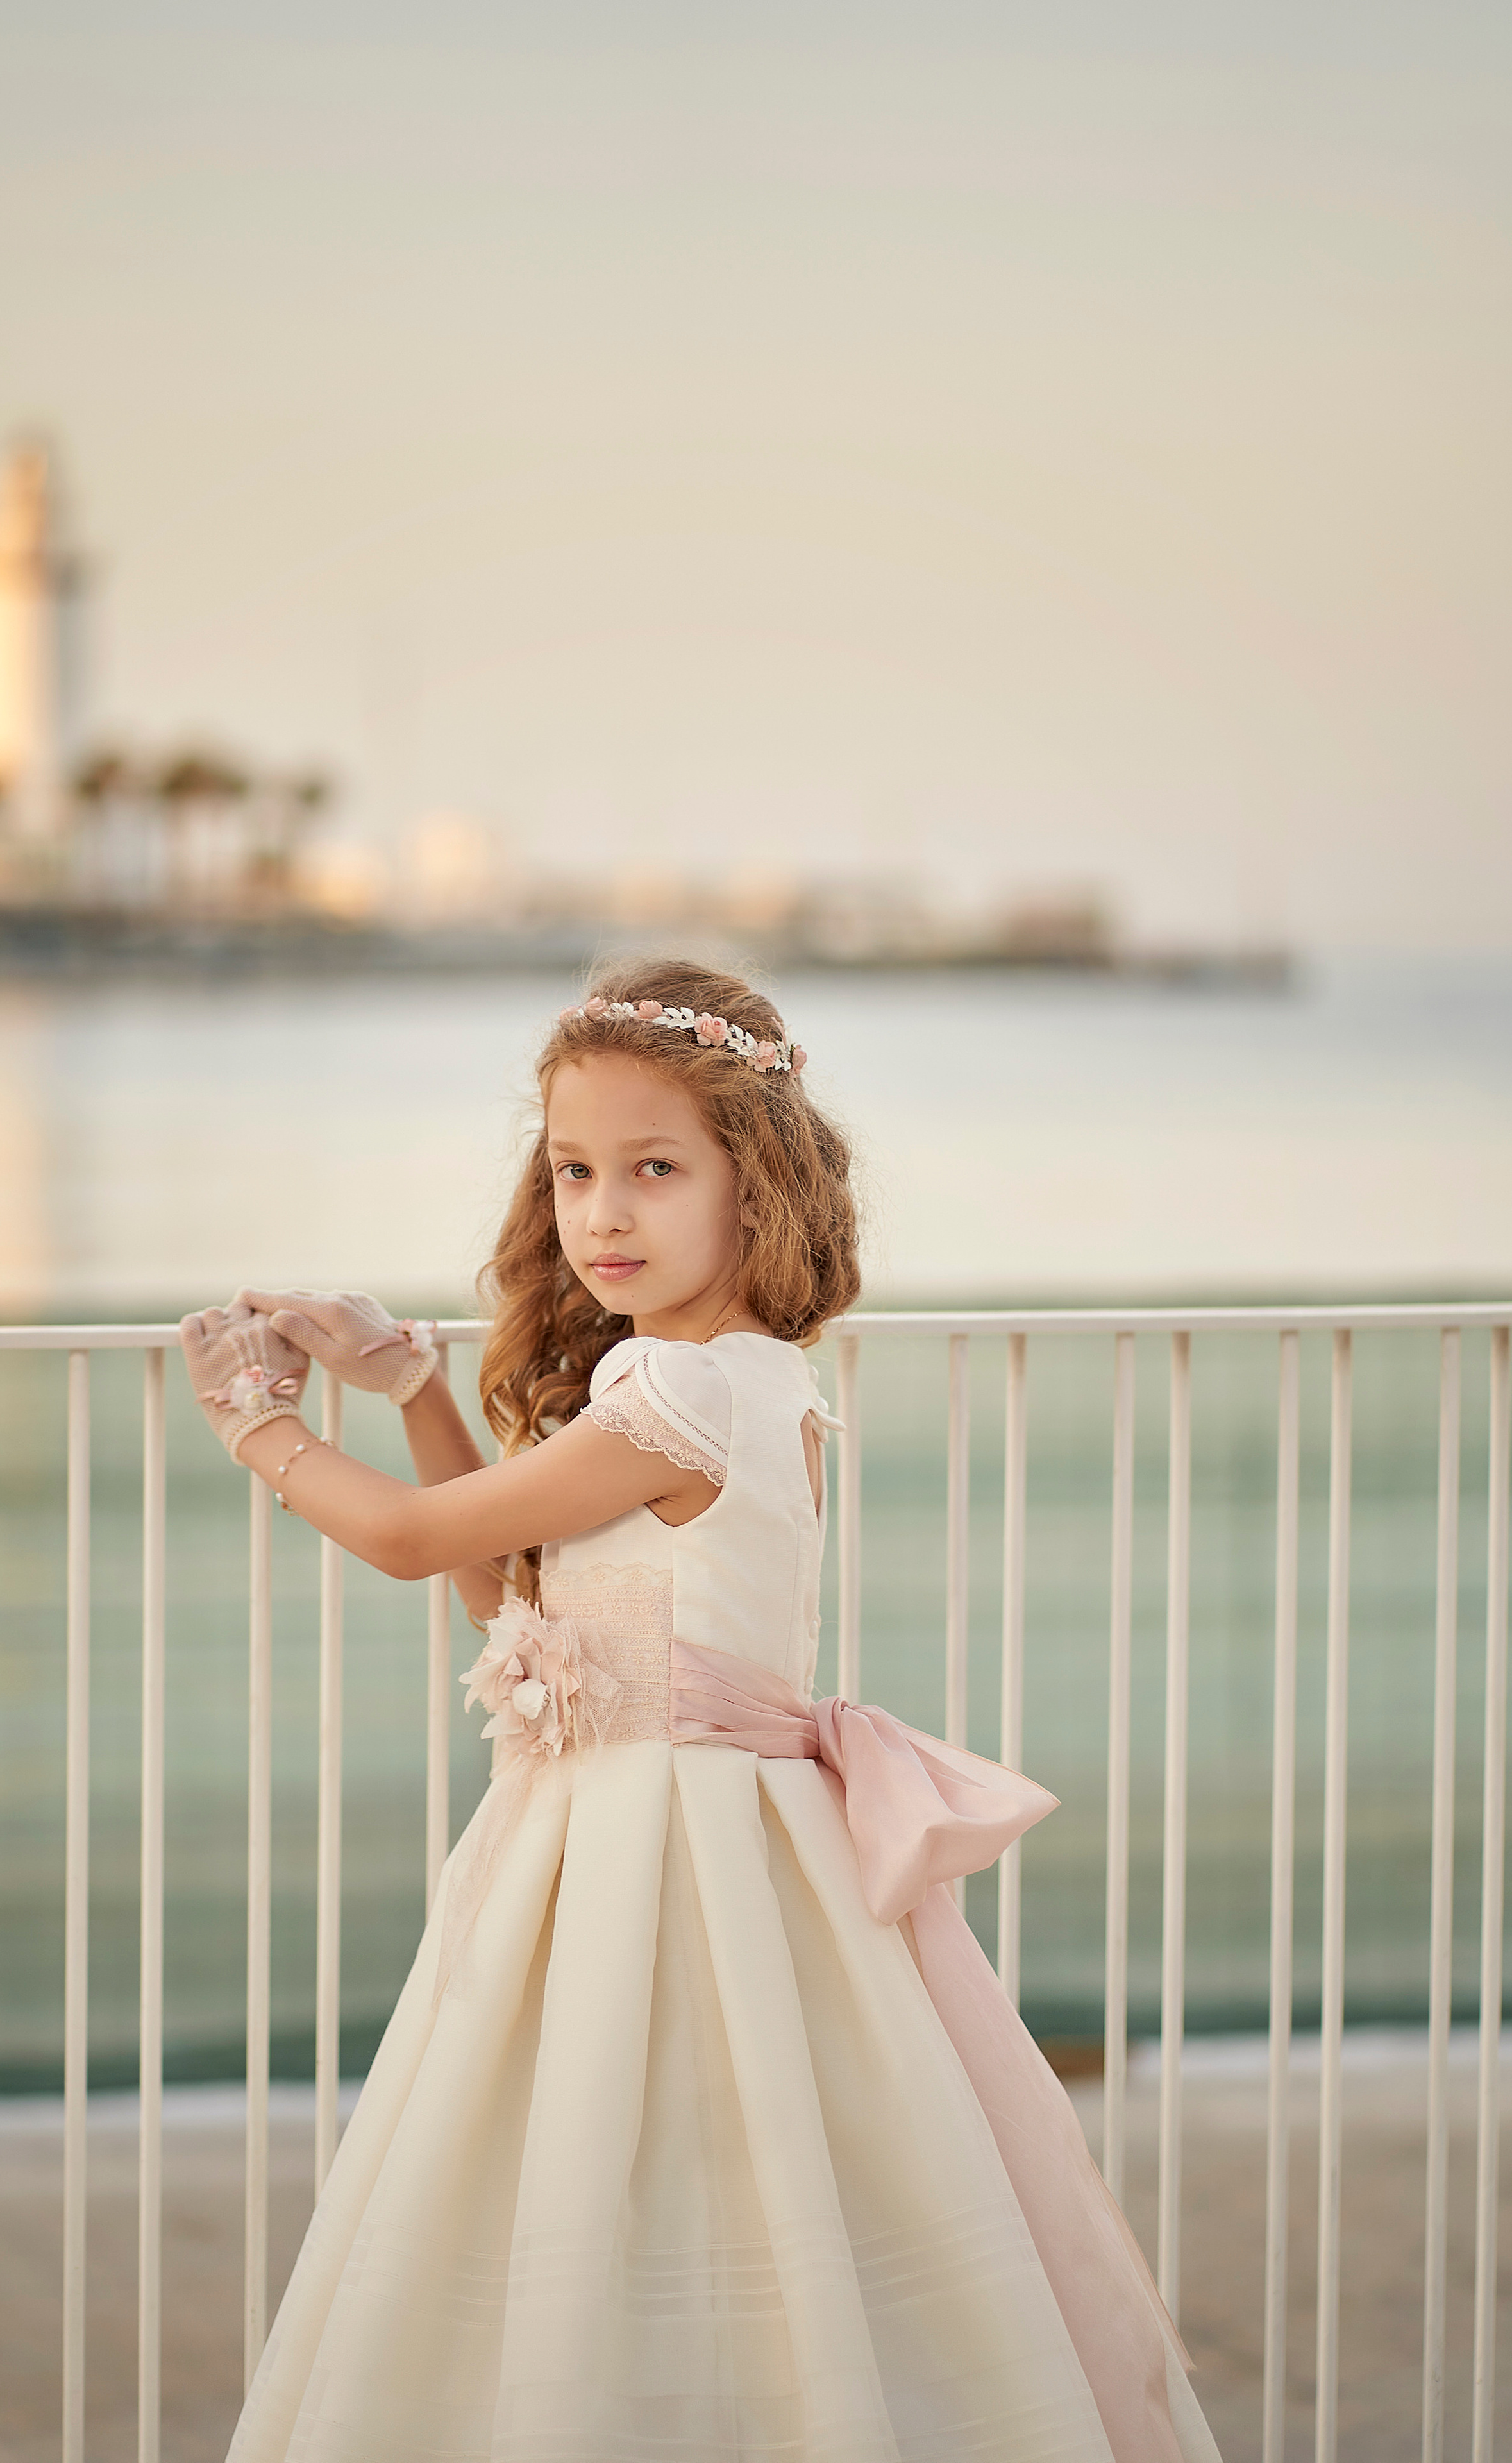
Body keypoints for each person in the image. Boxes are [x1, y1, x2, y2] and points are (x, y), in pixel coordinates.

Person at [180, 958, 1222, 2463]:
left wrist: (257, 1426)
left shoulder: (684, 1399)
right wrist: (409, 1383)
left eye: (653, 1170)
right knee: (685, 2175)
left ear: (761, 1186)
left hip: (673, 1857)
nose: (601, 1214)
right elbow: (505, 1595)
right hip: (602, 1841)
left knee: (639, 2164)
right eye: (574, 1171)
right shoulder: (702, 1377)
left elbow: (418, 1546)